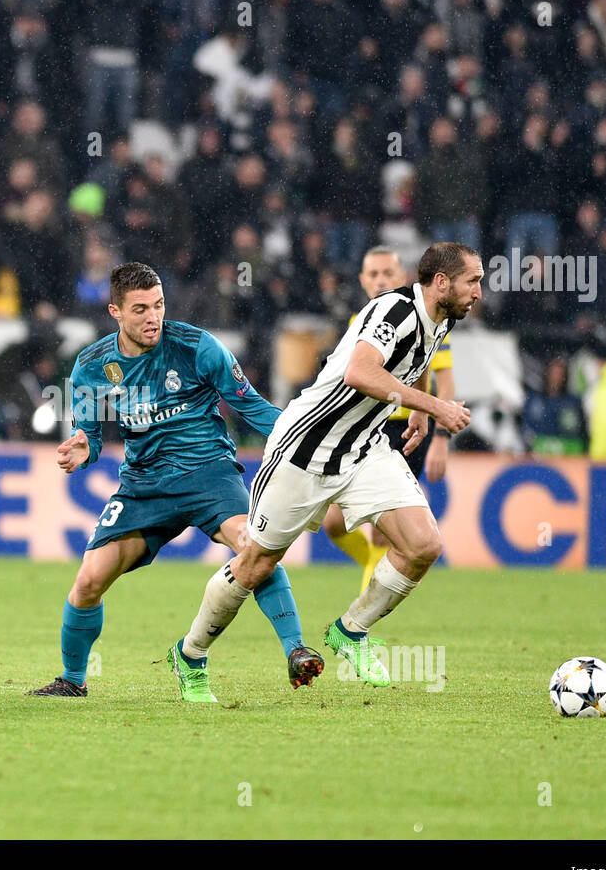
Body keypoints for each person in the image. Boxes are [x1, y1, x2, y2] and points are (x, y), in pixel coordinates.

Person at [177, 243, 479, 690]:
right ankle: (191, 654)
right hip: (304, 450)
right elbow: (360, 372)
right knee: (258, 562)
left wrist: (417, 408)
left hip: (363, 450)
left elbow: (417, 357)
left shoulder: (441, 317)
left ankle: (350, 631)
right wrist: (434, 406)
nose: (479, 291)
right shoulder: (392, 310)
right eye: (472, 280)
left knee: (423, 545)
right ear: (440, 282)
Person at [29, 262, 323, 702]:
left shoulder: (198, 347)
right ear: (115, 312)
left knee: (253, 547)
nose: (154, 317)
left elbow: (255, 408)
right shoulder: (92, 366)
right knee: (89, 580)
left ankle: (296, 649)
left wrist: (312, 439)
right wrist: (82, 449)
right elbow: (89, 435)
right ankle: (73, 680)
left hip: (209, 473)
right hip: (144, 484)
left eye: (159, 305)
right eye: (141, 309)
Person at [322, 246, 455, 592]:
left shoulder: (427, 318)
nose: (381, 281)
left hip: (403, 429)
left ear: (403, 278)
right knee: (334, 523)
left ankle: (358, 626)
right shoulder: (359, 322)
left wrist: (441, 436)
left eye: (388, 274)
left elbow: (445, 379)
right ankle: (375, 566)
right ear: (363, 281)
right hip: (362, 428)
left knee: (383, 534)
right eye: (374, 274)